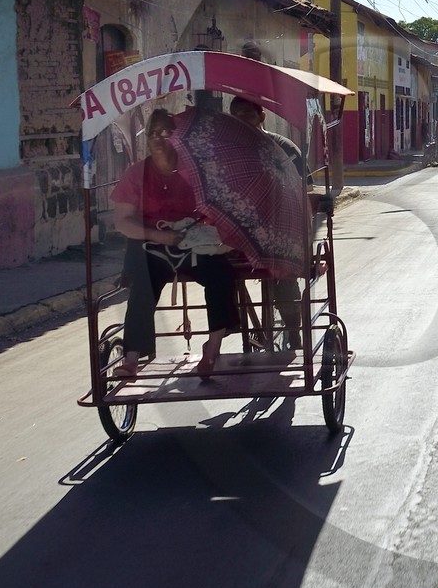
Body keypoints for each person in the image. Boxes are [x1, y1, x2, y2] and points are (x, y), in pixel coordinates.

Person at [110, 109, 237, 377]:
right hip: (153, 244)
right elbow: (123, 221)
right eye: (153, 133)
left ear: (177, 138)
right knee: (142, 281)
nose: (158, 139)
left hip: (193, 241)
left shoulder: (195, 170)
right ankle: (131, 357)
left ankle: (212, 348)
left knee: (221, 274)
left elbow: (218, 205)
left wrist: (199, 227)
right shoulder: (137, 174)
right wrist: (160, 236)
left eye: (166, 133)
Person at [229, 95, 310, 347]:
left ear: (262, 116)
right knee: (218, 270)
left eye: (248, 116)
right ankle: (228, 330)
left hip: (281, 231)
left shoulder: (285, 149)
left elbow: (304, 194)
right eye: (237, 118)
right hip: (242, 233)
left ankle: (293, 329)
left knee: (283, 273)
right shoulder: (229, 154)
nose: (242, 123)